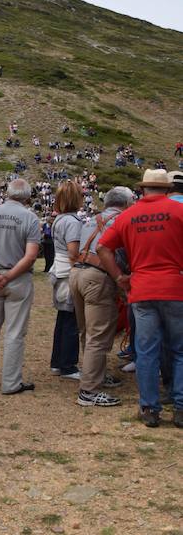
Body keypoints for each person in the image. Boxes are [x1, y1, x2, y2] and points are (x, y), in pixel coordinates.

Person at [97, 170, 183, 428]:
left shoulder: (128, 216)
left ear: (144, 190)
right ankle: (180, 407)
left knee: (146, 352)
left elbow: (102, 247)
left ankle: (149, 408)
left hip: (141, 289)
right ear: (166, 189)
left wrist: (119, 276)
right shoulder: (179, 211)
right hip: (175, 287)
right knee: (179, 350)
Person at [0, 179, 42, 394]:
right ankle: (11, 383)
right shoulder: (30, 218)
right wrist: (9, 276)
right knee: (15, 333)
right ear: (28, 197)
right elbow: (30, 257)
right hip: (17, 279)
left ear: (8, 193)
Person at [69, 187, 134, 407]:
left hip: (77, 272)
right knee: (99, 336)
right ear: (127, 203)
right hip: (98, 277)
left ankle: (95, 375)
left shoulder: (90, 219)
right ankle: (88, 391)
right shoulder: (124, 219)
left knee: (87, 331)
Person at [49, 182, 84, 380]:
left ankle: (58, 362)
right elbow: (73, 252)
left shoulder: (60, 219)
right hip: (68, 273)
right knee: (71, 320)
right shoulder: (72, 222)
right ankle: (68, 365)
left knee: (63, 319)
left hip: (60, 271)